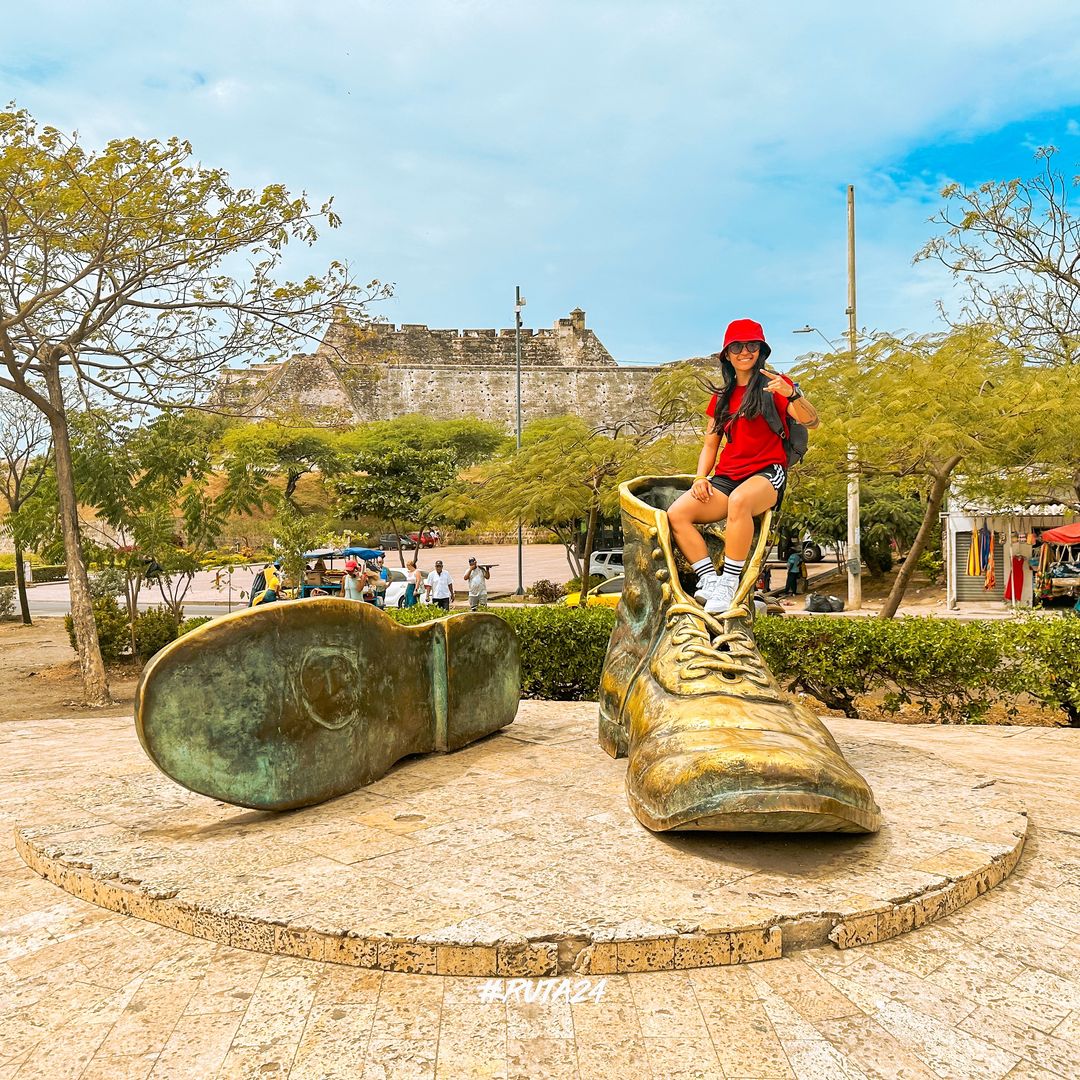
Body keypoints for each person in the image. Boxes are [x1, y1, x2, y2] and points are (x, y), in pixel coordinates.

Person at [667, 318, 819, 614]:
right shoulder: (721, 398)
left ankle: (729, 582)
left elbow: (812, 420)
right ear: (727, 354)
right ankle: (709, 579)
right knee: (677, 514)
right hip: (727, 477)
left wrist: (793, 395)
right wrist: (701, 477)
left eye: (752, 345)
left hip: (767, 474)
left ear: (761, 350)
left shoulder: (776, 388)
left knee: (740, 502)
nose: (744, 351)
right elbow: (711, 444)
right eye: (737, 346)